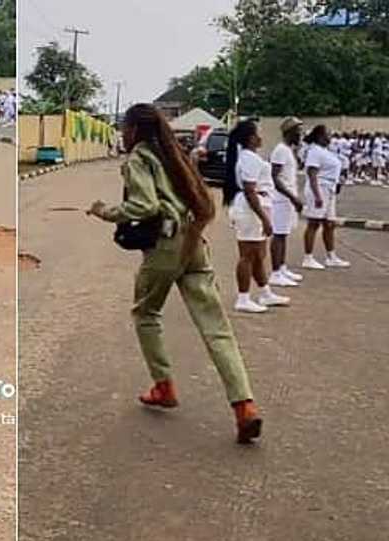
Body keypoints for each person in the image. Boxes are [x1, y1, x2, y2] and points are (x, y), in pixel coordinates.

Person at [87, 103, 263, 444]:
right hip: (194, 241)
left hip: (167, 246)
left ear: (135, 130)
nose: (122, 134)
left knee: (145, 312)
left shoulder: (139, 158)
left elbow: (144, 206)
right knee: (216, 328)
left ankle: (163, 386)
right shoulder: (175, 155)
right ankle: (245, 406)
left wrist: (103, 211)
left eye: (124, 128)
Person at [224, 119, 290, 313]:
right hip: (251, 210)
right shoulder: (249, 159)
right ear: (251, 138)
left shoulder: (249, 157)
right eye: (258, 133)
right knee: (248, 255)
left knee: (258, 255)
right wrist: (264, 218)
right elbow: (250, 190)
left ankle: (265, 292)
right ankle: (243, 298)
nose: (261, 136)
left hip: (255, 207)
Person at [301, 125, 351, 270]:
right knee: (314, 223)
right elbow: (312, 173)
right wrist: (317, 195)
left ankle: (331, 256)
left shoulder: (325, 151)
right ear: (320, 136)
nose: (330, 137)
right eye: (328, 134)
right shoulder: (314, 151)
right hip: (319, 188)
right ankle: (308, 257)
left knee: (330, 224)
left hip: (330, 189)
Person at [268, 117, 306, 287]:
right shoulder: (280, 151)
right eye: (298, 131)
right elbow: (274, 177)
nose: (301, 135)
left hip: (286, 199)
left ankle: (282, 268)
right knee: (279, 235)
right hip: (281, 199)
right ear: (290, 132)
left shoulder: (288, 150)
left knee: (284, 235)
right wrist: (292, 197)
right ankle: (275, 272)